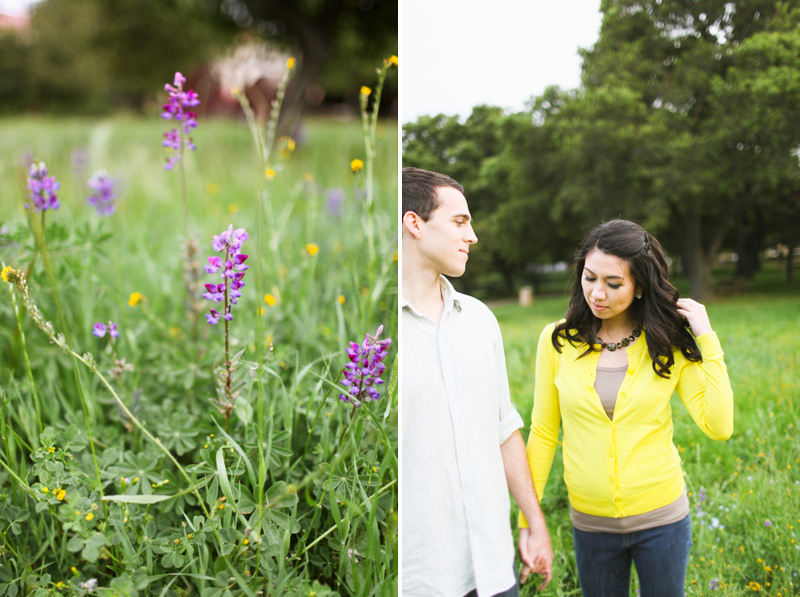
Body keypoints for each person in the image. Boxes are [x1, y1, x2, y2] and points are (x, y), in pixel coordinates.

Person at [518, 219, 734, 596]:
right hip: (591, 525)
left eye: (613, 284)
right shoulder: (556, 341)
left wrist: (707, 339)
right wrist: (529, 520)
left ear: (640, 287)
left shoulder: (668, 342)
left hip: (663, 520)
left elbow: (718, 426)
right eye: (589, 277)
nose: (597, 293)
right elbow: (543, 433)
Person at [401, 167, 553, 596]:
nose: (473, 237)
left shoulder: (480, 319)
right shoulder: (380, 331)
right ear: (414, 222)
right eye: (460, 222)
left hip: (492, 565)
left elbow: (504, 429)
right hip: (420, 575)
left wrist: (535, 524)